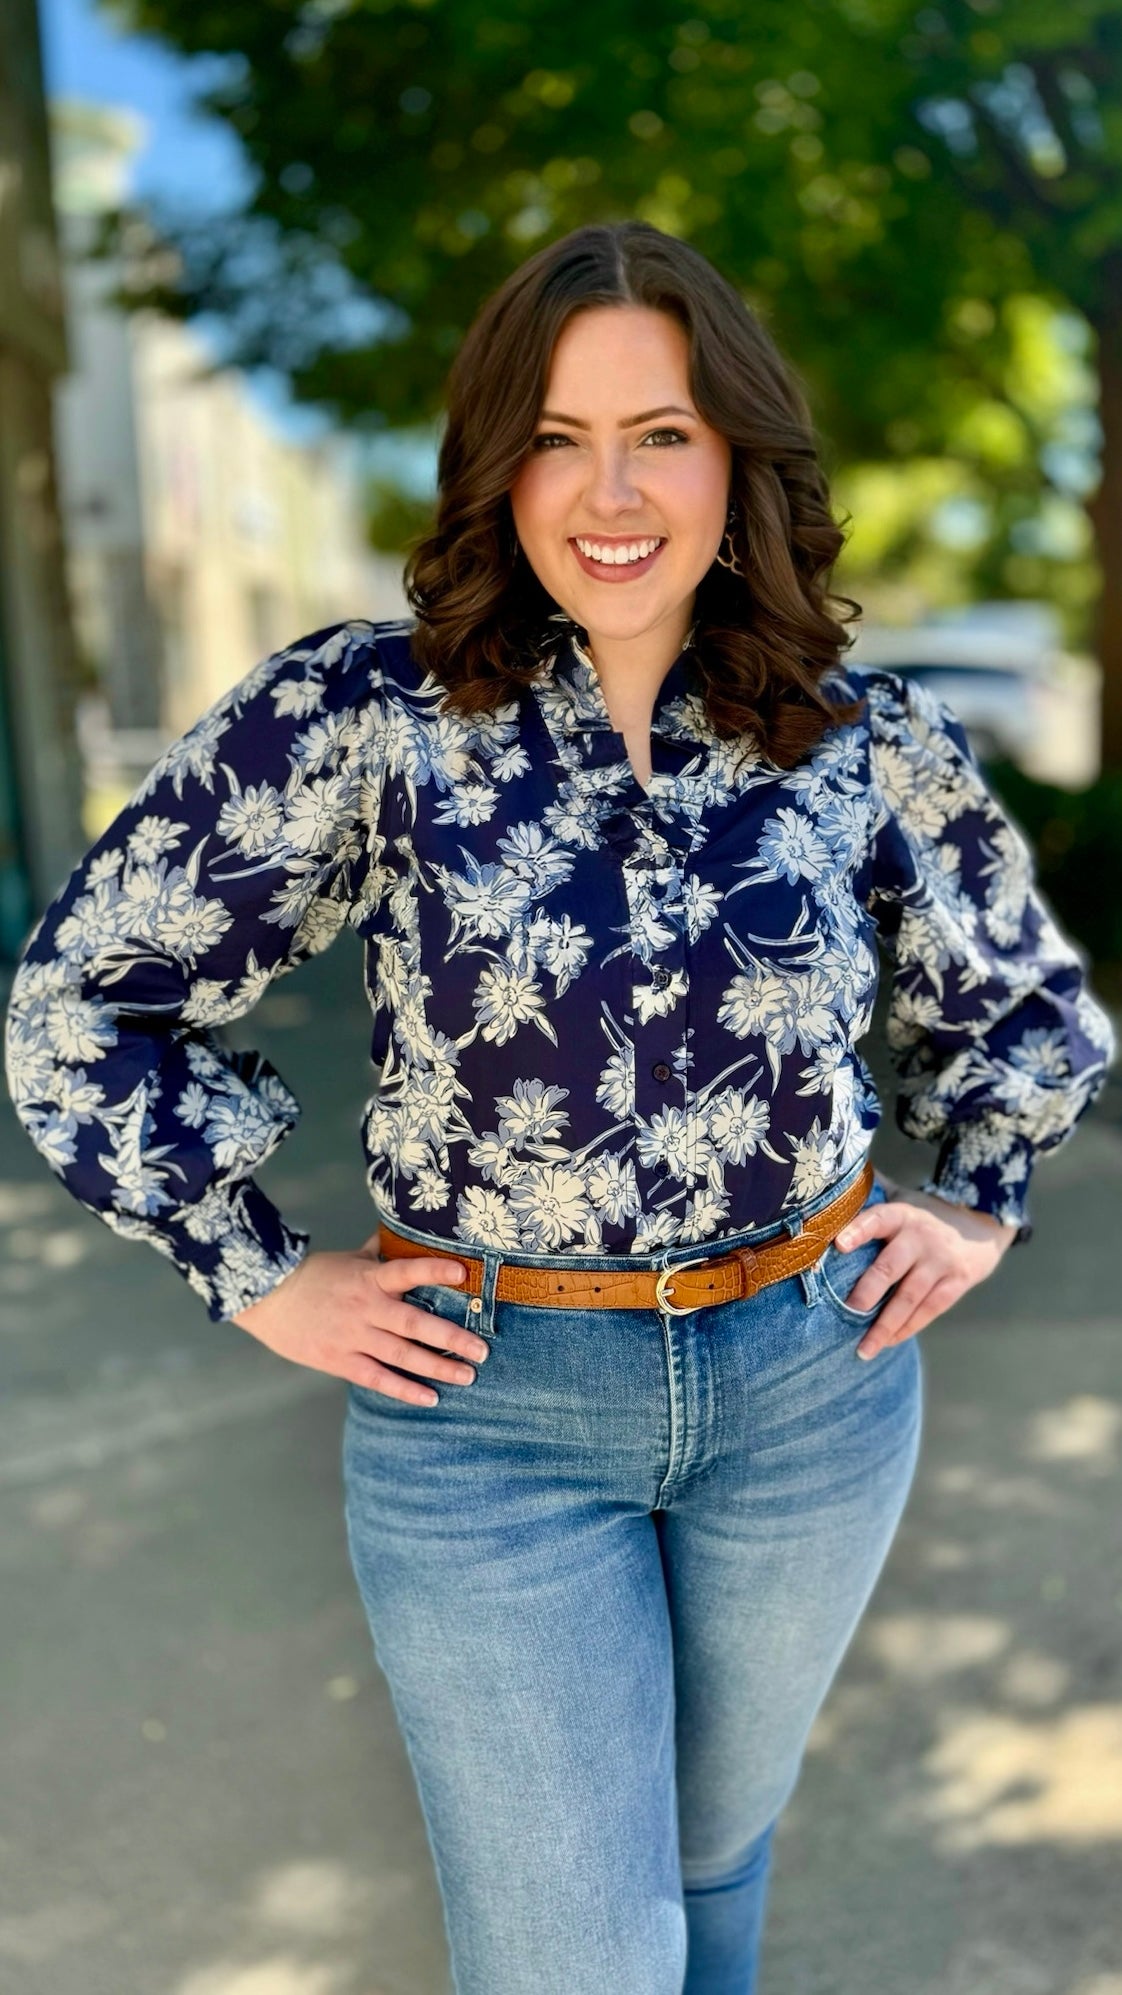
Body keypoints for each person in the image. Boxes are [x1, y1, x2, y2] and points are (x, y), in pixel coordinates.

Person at [4, 219, 1116, 1995]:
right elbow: (83, 1005)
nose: (609, 488)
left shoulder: (857, 735)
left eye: (660, 431)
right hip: (489, 1416)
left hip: (809, 1392)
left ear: (735, 456)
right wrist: (254, 1268)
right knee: (574, 1961)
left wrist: (981, 1195)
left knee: (708, 1870)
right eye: (555, 434)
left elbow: (1021, 1008)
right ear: (492, 463)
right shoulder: (364, 713)